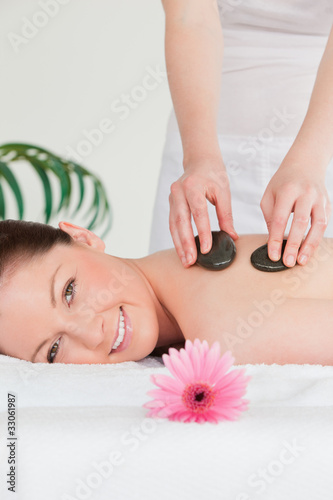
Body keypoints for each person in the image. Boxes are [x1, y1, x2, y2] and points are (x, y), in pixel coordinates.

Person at [150, 0, 333, 272]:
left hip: (323, 150)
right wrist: (199, 158)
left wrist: (309, 162)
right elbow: (190, 15)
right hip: (201, 154)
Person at [1, 219, 333, 366]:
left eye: (69, 292)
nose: (91, 334)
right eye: (54, 350)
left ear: (84, 238)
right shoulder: (179, 278)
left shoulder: (223, 332)